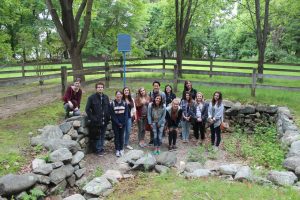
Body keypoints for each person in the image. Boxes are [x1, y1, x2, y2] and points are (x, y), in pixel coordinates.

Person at [85, 82, 110, 156]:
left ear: (103, 88)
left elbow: (108, 108)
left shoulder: (106, 97)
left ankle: (101, 148)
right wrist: (93, 118)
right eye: (98, 87)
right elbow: (87, 109)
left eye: (101, 87)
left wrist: (108, 117)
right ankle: (98, 150)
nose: (100, 88)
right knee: (97, 136)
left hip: (104, 120)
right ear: (96, 88)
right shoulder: (91, 97)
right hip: (96, 121)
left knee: (102, 135)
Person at [110, 90, 129, 157]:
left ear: (122, 95)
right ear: (115, 95)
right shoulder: (112, 104)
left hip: (123, 123)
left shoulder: (124, 103)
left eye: (120, 94)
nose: (119, 96)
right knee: (117, 136)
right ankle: (117, 149)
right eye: (117, 94)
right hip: (115, 123)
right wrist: (118, 123)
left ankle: (121, 148)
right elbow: (112, 115)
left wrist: (123, 122)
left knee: (121, 136)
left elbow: (126, 113)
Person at [148, 80, 166, 145]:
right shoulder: (150, 93)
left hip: (160, 112)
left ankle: (159, 140)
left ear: (159, 86)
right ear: (153, 86)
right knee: (152, 129)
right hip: (152, 112)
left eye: (157, 86)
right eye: (155, 86)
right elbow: (149, 102)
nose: (156, 87)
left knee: (160, 129)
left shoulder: (162, 94)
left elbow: (164, 103)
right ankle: (152, 139)